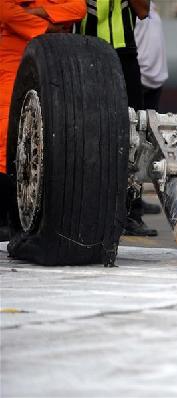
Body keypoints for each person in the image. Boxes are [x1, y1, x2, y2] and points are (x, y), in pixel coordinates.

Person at [0, 0, 87, 241]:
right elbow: (5, 10)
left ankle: (31, 215)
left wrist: (34, 12)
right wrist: (45, 26)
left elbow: (78, 8)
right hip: (14, 55)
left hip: (52, 59)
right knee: (6, 130)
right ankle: (6, 213)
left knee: (47, 133)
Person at [76, 0, 158, 236]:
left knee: (136, 131)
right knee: (87, 133)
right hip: (84, 52)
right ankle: (87, 210)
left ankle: (131, 212)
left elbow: (143, 10)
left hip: (125, 54)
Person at [135, 0, 168, 112]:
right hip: (139, 75)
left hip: (156, 78)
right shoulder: (134, 6)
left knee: (151, 124)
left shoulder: (152, 7)